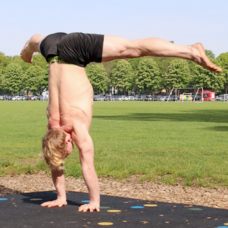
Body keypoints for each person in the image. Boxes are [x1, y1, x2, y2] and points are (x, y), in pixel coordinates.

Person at [20, 32, 222, 213]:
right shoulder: (51, 129)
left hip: (75, 50)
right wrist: (61, 197)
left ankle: (192, 51)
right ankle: (30, 46)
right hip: (50, 46)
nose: (66, 157)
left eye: (66, 152)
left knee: (133, 49)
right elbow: (55, 161)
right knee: (37, 40)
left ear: (66, 142)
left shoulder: (77, 128)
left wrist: (93, 201)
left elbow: (87, 167)